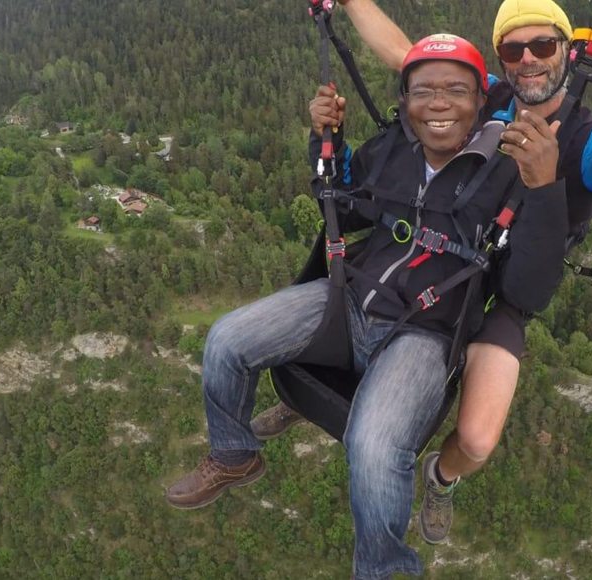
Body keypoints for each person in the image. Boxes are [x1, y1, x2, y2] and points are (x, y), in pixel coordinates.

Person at [251, 0, 592, 546]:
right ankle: (301, 399)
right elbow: (403, 55)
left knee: (476, 437)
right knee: (356, 299)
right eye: (513, 49)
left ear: (567, 51)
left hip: (504, 287)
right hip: (445, 251)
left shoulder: (588, 138)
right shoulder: (491, 95)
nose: (529, 61)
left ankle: (441, 477)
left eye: (543, 46)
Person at [167, 34, 571, 578]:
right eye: (423, 90)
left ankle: (385, 569)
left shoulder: (509, 170)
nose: (439, 103)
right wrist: (325, 139)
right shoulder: (393, 149)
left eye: (456, 90)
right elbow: (343, 205)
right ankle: (236, 455)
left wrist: (544, 190)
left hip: (425, 333)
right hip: (353, 298)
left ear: (481, 102)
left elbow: (528, 292)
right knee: (226, 340)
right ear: (405, 101)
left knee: (375, 448)